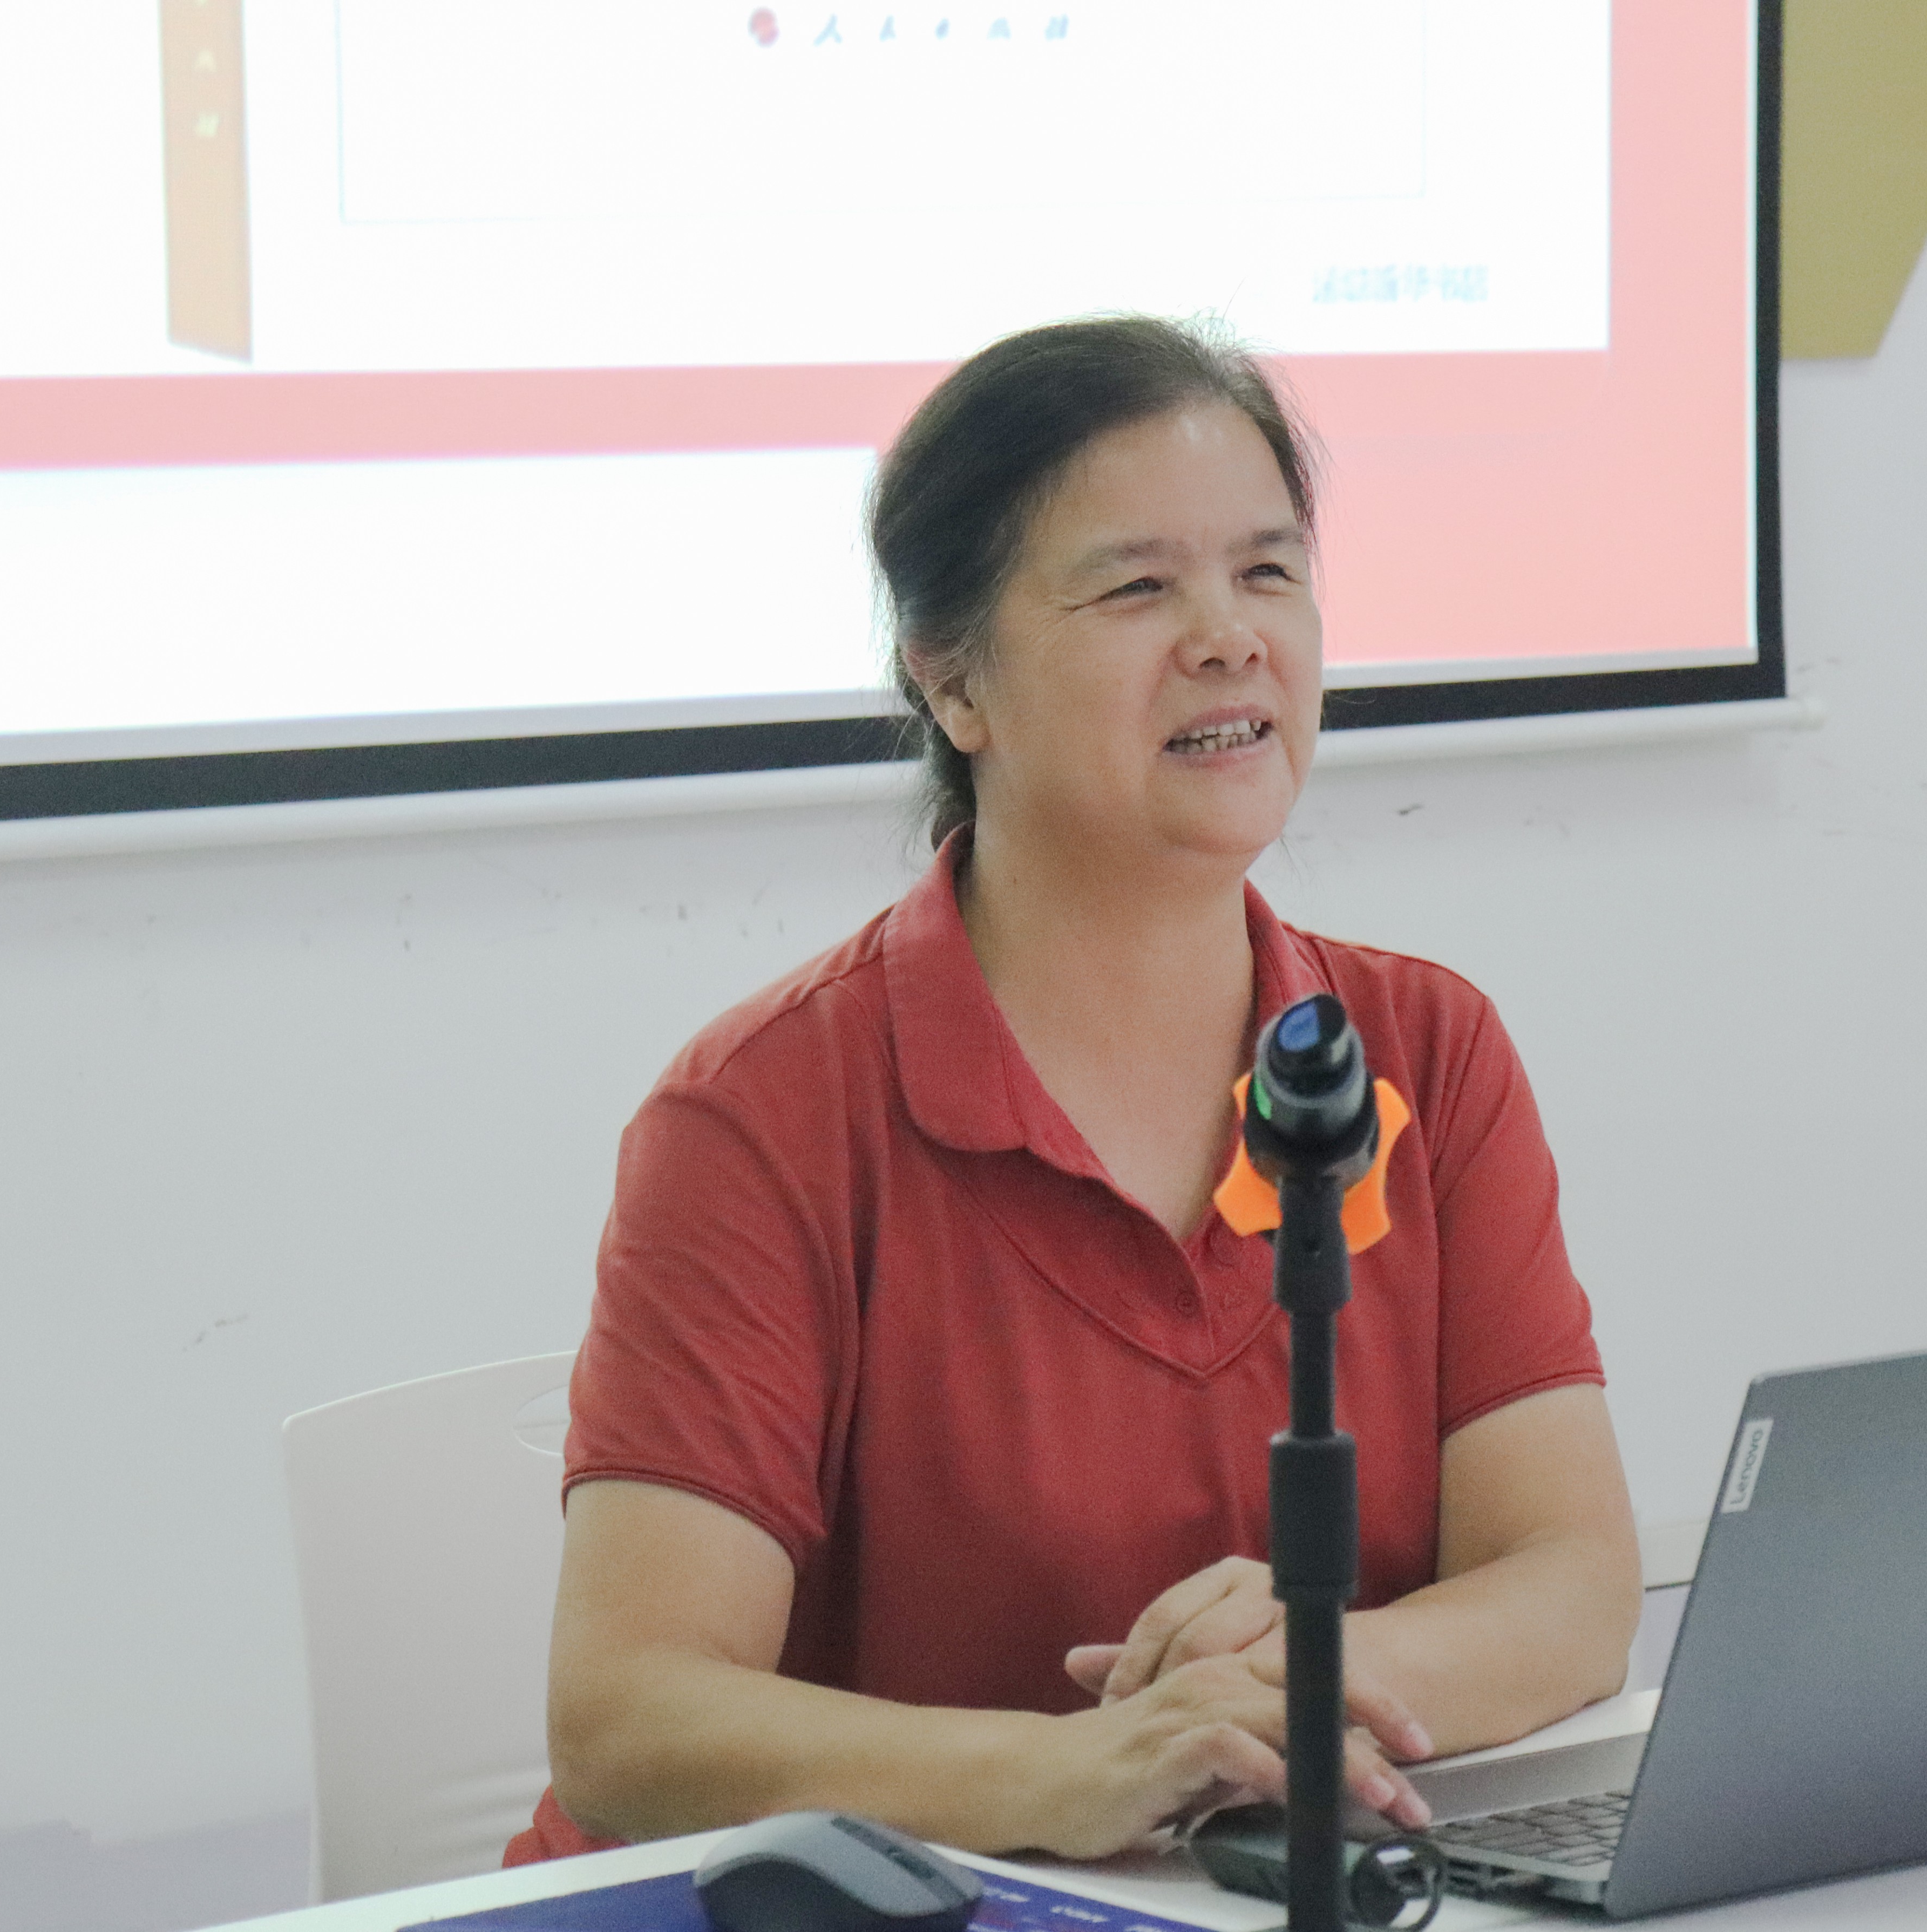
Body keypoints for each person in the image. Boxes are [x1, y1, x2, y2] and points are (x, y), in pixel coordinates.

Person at [507, 317, 1639, 1866]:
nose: (1229, 638)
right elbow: (630, 1722)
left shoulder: (1422, 1049)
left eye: (1268, 571)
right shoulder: (761, 1116)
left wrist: (1301, 1679)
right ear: (952, 679)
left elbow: (1573, 1581)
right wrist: (1077, 1768)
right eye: (1135, 588)